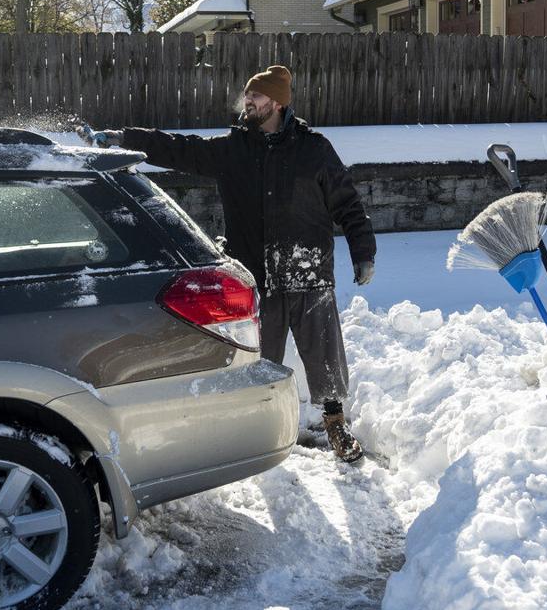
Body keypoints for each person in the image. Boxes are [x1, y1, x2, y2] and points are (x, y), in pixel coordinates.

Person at [81, 65, 376, 462]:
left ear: (275, 102)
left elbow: (348, 204)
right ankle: (257, 431)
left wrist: (364, 252)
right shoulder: (234, 149)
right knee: (254, 362)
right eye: (247, 95)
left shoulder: (314, 149)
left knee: (324, 354)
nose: (247, 101)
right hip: (255, 276)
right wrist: (123, 139)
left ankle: (335, 422)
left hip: (309, 273)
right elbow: (178, 149)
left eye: (255, 96)